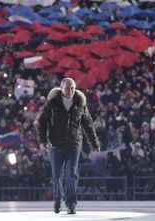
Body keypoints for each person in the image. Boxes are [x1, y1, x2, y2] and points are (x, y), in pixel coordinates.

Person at [35, 78, 100, 214]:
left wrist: (94, 143)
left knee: (72, 175)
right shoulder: (52, 102)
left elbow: (88, 124)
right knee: (57, 175)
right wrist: (41, 140)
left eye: (72, 88)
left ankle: (71, 204)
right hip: (55, 145)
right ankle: (58, 200)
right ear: (61, 88)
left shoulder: (80, 102)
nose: (70, 91)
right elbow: (42, 122)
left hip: (74, 145)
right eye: (67, 88)